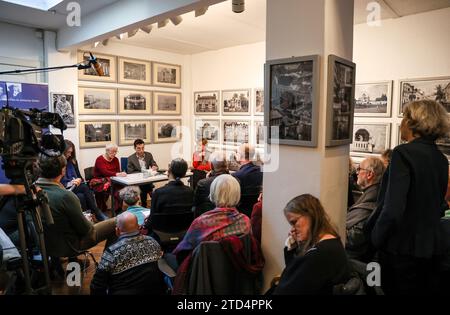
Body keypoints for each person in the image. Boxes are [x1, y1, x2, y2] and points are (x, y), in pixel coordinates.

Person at [368, 100, 450, 295]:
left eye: (405, 117)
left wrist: (375, 238)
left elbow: (393, 210)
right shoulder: (440, 158)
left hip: (401, 250)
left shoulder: (403, 153)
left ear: (414, 123)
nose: (401, 123)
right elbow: (439, 205)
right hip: (430, 248)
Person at [36, 153, 116, 258]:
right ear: (63, 170)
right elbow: (86, 230)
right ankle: (106, 265)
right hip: (69, 245)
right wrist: (87, 220)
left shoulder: (32, 190)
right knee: (117, 222)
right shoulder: (65, 196)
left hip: (45, 244)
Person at [273, 194, 351, 295]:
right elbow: (293, 278)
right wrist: (294, 248)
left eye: (294, 222)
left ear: (310, 215)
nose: (292, 229)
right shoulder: (330, 243)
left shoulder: (320, 253)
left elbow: (285, 288)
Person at [173, 174, 253, 266]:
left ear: (213, 193)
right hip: (236, 274)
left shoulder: (201, 223)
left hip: (204, 274)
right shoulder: (246, 221)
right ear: (237, 194)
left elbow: (181, 252)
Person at [90, 212, 165, 295]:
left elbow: (97, 285)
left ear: (117, 230)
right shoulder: (153, 242)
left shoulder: (111, 252)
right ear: (139, 227)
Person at [346, 157, 384, 262]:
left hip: (353, 256)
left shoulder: (371, 201)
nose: (357, 173)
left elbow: (354, 239)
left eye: (360, 169)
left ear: (369, 174)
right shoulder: (376, 193)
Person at [61, 140, 108, 221]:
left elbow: (79, 176)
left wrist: (79, 180)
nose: (69, 154)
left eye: (71, 152)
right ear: (63, 151)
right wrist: (71, 182)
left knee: (81, 196)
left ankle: (87, 218)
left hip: (75, 187)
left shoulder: (73, 161)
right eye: (68, 152)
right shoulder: (59, 162)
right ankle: (97, 213)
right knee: (84, 188)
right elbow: (60, 181)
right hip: (64, 188)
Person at [92, 144, 126, 213]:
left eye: (116, 152)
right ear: (107, 151)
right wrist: (117, 174)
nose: (114, 154)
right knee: (109, 188)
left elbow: (118, 171)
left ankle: (117, 209)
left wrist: (120, 174)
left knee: (121, 187)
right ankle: (101, 211)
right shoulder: (100, 159)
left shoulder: (116, 159)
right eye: (112, 152)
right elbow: (105, 172)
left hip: (112, 180)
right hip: (100, 181)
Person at [193, 151, 229, 217]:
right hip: (229, 216)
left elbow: (195, 204)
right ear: (226, 164)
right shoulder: (235, 180)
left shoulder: (203, 183)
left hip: (207, 217)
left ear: (211, 166)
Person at [232, 144, 263, 217]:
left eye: (237, 153)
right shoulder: (261, 172)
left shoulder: (236, 176)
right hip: (258, 212)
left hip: (241, 214)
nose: (236, 154)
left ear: (240, 156)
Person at [126, 139, 158, 208]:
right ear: (134, 148)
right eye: (139, 148)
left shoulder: (148, 155)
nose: (141, 150)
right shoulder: (130, 158)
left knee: (145, 186)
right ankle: (153, 202)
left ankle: (145, 205)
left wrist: (154, 166)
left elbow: (154, 164)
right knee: (145, 186)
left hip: (147, 180)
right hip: (137, 181)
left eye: (143, 148)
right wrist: (143, 173)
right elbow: (130, 172)